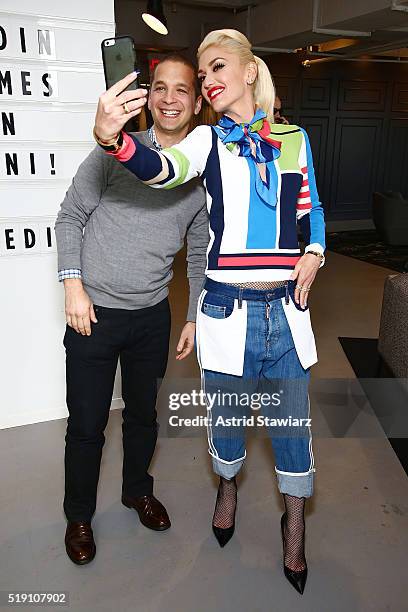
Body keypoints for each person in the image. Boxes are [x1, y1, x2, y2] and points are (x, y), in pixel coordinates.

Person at [93, 29, 326, 595]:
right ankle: (227, 490)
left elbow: (310, 209)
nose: (210, 81)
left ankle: (293, 527)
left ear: (250, 72)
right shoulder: (204, 141)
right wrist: (112, 140)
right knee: (226, 427)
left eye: (218, 68)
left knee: (292, 429)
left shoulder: (294, 138)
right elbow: (161, 168)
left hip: (286, 315)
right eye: (204, 75)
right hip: (225, 310)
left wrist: (315, 253)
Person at [55, 54, 209, 565]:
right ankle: (78, 516)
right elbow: (70, 217)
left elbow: (200, 247)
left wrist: (192, 316)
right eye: (160, 87)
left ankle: (136, 491)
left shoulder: (200, 170)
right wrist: (73, 286)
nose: (169, 98)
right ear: (147, 96)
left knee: (144, 416)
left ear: (197, 99)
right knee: (87, 424)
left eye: (181, 89)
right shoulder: (115, 150)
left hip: (151, 317)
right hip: (92, 315)